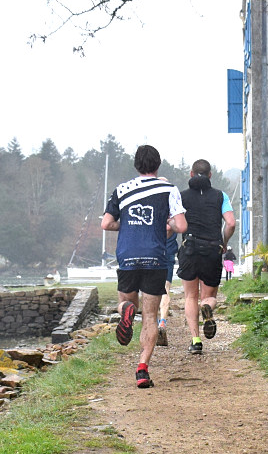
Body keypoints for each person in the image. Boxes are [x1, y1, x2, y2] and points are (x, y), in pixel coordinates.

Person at [101, 145, 187, 388]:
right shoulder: (169, 190)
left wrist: (128, 223)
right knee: (150, 315)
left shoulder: (121, 189)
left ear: (136, 165)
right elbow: (181, 226)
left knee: (126, 303)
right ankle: (142, 369)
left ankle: (126, 309)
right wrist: (164, 222)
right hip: (155, 257)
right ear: (158, 165)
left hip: (127, 256)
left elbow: (106, 224)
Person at [176, 159, 236, 354]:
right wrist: (224, 242)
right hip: (212, 250)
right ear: (210, 175)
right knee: (209, 297)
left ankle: (196, 341)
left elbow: (173, 223)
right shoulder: (221, 196)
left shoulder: (181, 196)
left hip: (189, 249)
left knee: (190, 296)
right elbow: (231, 223)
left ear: (191, 174)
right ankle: (207, 307)